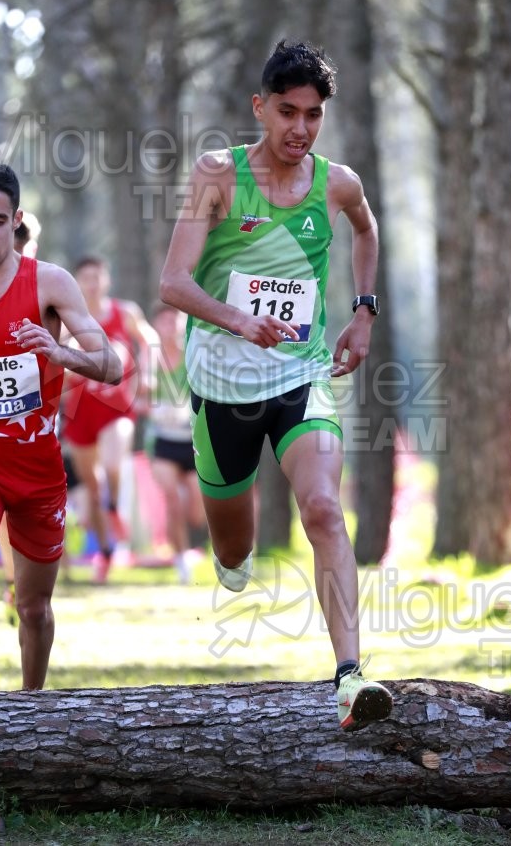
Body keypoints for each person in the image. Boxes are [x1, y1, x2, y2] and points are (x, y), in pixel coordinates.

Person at [159, 40, 393, 731]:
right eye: (286, 112)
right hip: (221, 384)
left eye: (313, 116)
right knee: (233, 551)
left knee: (322, 508)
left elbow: (366, 231)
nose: (299, 129)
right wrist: (237, 318)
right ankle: (233, 558)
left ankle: (350, 677)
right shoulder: (217, 176)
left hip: (300, 378)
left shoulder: (337, 183)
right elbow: (172, 283)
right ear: (260, 107)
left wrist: (362, 312)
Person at [0, 160, 123, 690]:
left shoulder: (49, 283)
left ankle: (30, 710)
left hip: (38, 470)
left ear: (16, 219)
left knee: (33, 607)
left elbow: (112, 365)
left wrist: (59, 351)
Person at [60, 256, 159, 583]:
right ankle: (104, 551)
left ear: (106, 280)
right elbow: (52, 359)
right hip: (79, 415)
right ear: (75, 283)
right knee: (91, 485)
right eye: (84, 277)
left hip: (118, 409)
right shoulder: (66, 320)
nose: (91, 283)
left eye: (96, 276)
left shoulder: (124, 312)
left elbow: (151, 340)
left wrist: (147, 375)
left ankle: (115, 507)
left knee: (115, 462)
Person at [0, 211, 42, 625]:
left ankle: (28, 588)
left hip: (39, 429)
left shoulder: (47, 284)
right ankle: (15, 583)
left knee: (25, 515)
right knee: (6, 515)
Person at [147, 302, 206, 584]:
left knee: (196, 510)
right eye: (164, 322)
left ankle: (208, 547)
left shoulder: (193, 355)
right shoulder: (149, 358)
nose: (170, 328)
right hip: (163, 442)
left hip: (194, 442)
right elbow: (135, 399)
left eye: (175, 321)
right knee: (171, 499)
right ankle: (182, 560)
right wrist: (156, 407)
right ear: (156, 326)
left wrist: (190, 407)